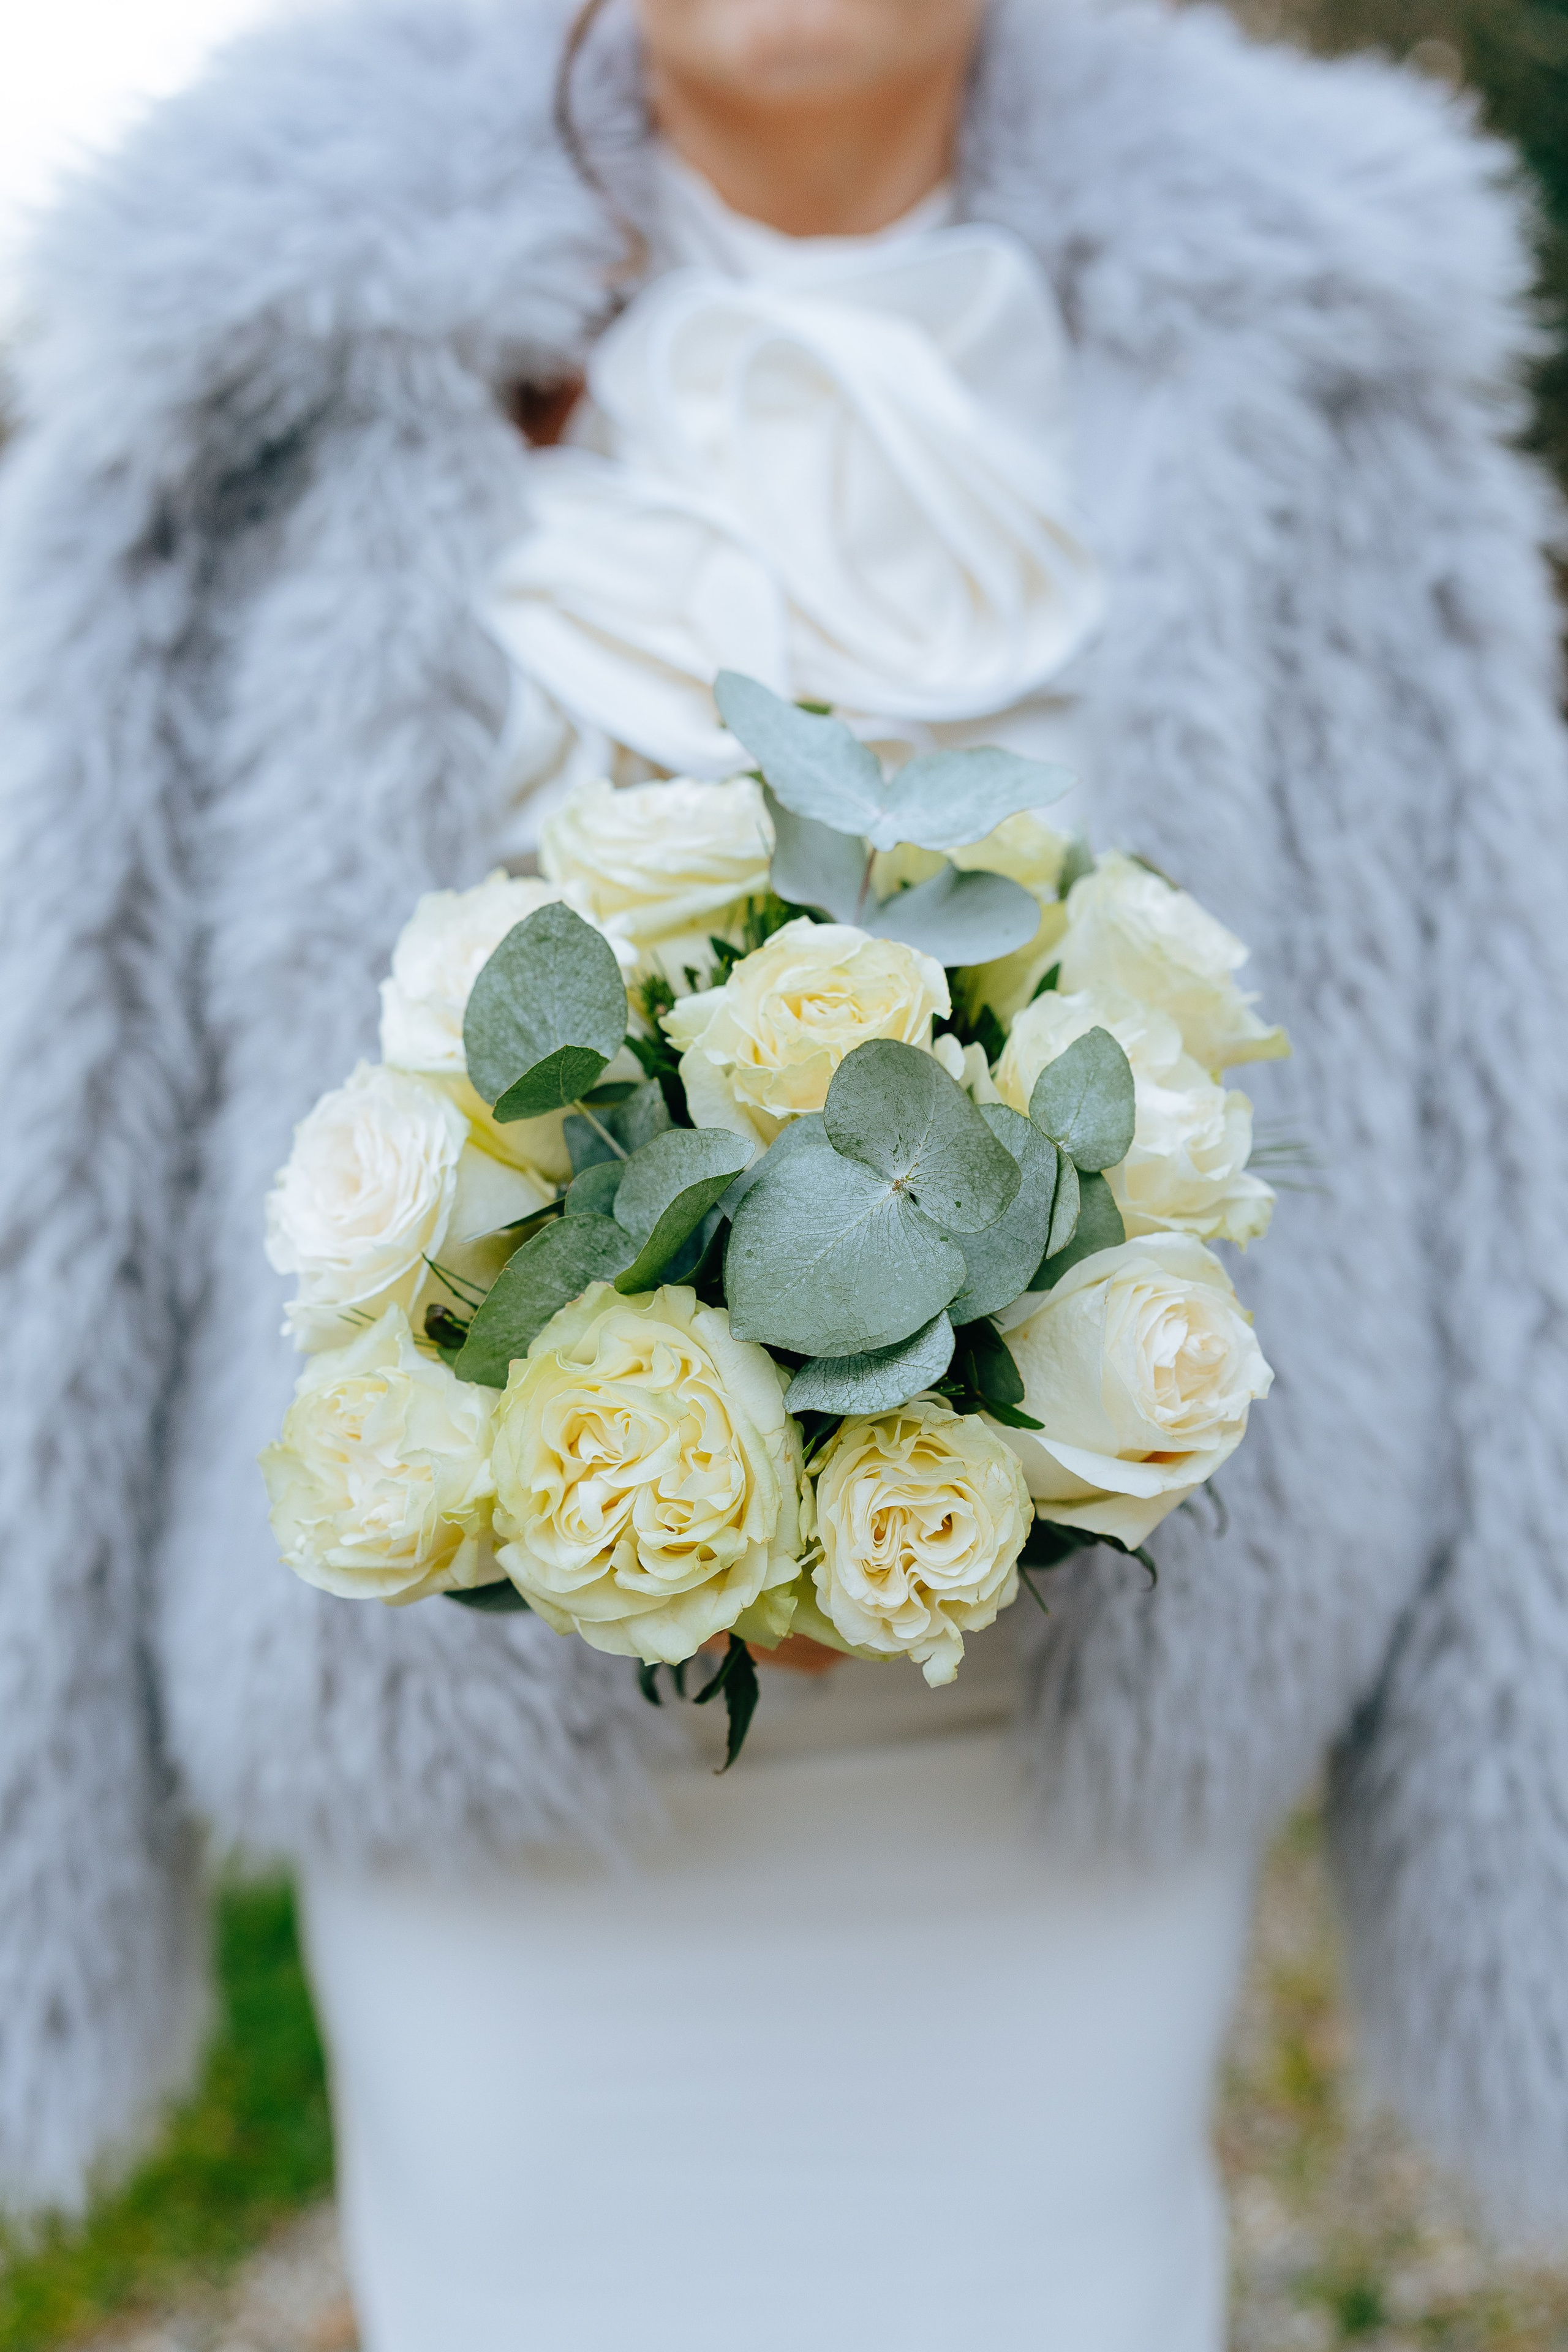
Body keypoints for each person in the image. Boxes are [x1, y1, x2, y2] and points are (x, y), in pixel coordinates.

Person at [1, 0, 1566, 2344]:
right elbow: (73, 1066)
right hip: (497, 1786)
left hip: (1066, 1764)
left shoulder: (1314, 349)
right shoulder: (250, 332)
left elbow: (1492, 1078)